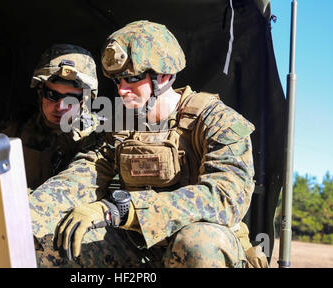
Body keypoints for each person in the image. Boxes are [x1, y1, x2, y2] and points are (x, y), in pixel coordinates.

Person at [29, 21, 268, 268]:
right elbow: (82, 176)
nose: (122, 90)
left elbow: (225, 198)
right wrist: (28, 213)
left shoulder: (217, 121)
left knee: (197, 242)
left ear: (163, 76)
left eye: (131, 79)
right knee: (57, 241)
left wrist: (123, 209)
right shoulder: (119, 125)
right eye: (118, 81)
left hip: (199, 249)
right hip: (139, 248)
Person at [0, 44, 101, 191]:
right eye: (52, 95)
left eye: (70, 98)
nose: (60, 107)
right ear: (40, 92)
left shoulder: (98, 139)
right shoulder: (14, 128)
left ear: (83, 100)